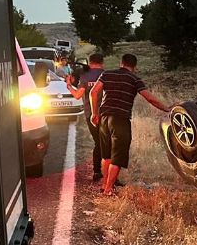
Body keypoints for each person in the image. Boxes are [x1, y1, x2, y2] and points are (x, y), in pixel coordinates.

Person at [90, 54, 170, 196]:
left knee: (106, 155)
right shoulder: (134, 79)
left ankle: (104, 185)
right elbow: (150, 98)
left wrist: (94, 113)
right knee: (118, 156)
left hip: (104, 117)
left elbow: (93, 92)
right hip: (120, 119)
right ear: (135, 67)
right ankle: (108, 190)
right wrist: (167, 109)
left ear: (121, 63)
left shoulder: (107, 74)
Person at [67, 53, 106, 180]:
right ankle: (110, 175)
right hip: (107, 114)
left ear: (90, 62)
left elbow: (78, 95)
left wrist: (69, 85)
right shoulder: (106, 74)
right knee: (108, 143)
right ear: (102, 62)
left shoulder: (85, 76)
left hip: (91, 115)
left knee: (98, 143)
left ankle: (97, 172)